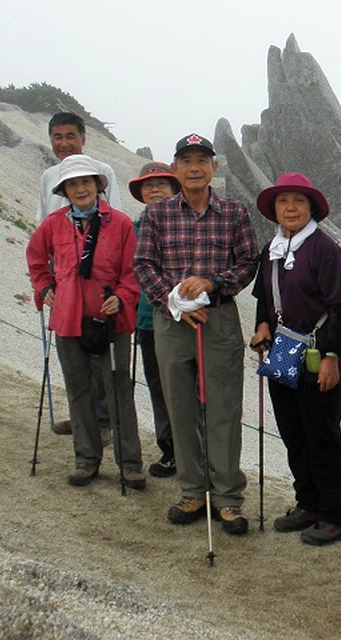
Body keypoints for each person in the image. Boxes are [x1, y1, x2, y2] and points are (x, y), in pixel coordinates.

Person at [133, 133, 260, 534]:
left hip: (219, 318)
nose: (194, 168)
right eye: (186, 161)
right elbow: (143, 264)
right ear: (175, 169)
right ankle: (192, 490)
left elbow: (247, 263)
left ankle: (227, 498)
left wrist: (211, 282)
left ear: (214, 167)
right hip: (172, 323)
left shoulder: (235, 213)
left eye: (202, 160)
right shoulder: (158, 215)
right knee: (181, 408)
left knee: (223, 409)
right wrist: (172, 300)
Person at [26, 154, 145, 489]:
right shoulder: (53, 224)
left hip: (111, 319)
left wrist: (122, 297)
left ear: (97, 186)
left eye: (86, 182)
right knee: (78, 391)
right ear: (64, 190)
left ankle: (130, 462)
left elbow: (131, 270)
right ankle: (86, 459)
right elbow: (36, 258)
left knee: (118, 388)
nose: (80, 188)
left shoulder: (120, 223)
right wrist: (45, 286)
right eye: (73, 184)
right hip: (67, 318)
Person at [249, 173, 341, 546]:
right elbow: (264, 299)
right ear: (275, 209)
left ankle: (335, 514)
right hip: (280, 348)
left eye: (298, 201)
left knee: (322, 433)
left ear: (311, 208)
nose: (290, 207)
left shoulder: (325, 249)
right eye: (283, 201)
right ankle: (307, 503)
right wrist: (262, 326)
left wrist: (330, 358)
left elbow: (336, 308)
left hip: (315, 350)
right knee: (293, 431)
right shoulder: (272, 249)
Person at [37, 111, 120, 439]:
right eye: (57, 137)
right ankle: (81, 417)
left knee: (97, 347)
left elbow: (114, 222)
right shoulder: (48, 176)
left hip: (96, 275)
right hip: (63, 273)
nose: (64, 143)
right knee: (70, 350)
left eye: (70, 136)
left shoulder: (103, 172)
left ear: (84, 138)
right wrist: (44, 279)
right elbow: (43, 224)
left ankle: (102, 421)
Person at [127, 161, 181, 478]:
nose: (155, 190)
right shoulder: (133, 230)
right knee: (159, 388)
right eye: (148, 186)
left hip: (183, 318)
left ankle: (194, 450)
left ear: (174, 189)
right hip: (147, 320)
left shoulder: (187, 225)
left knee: (186, 388)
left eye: (162, 184)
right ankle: (171, 450)